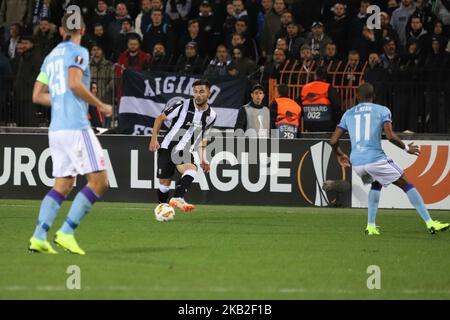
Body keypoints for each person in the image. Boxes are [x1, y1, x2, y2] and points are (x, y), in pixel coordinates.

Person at [28, 11, 113, 255]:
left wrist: (61, 99)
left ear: (60, 30)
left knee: (63, 184)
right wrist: (100, 104)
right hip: (76, 127)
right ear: (83, 31)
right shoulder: (80, 52)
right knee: (100, 182)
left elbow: (37, 95)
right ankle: (66, 232)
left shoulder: (51, 56)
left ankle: (39, 236)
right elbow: (75, 83)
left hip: (56, 130)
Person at [330, 83, 449, 235]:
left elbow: (333, 141)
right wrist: (407, 148)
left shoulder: (348, 113)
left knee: (376, 183)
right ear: (373, 97)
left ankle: (371, 226)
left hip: (357, 163)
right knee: (405, 182)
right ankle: (430, 222)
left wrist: (340, 154)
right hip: (375, 159)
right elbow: (390, 136)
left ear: (357, 97)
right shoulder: (382, 110)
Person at [149, 79, 217, 212]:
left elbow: (203, 138)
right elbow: (160, 118)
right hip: (167, 146)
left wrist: (203, 158)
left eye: (202, 91)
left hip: (184, 149)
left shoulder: (212, 116)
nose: (198, 95)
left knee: (191, 169)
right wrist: (154, 139)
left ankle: (178, 197)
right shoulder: (182, 104)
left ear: (209, 93)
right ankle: (163, 210)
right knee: (164, 184)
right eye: (195, 92)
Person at [298, 66, 341, 132]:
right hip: (326, 124)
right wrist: (336, 122)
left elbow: (298, 106)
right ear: (326, 77)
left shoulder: (305, 88)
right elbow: (336, 106)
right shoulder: (328, 87)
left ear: (315, 76)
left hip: (309, 123)